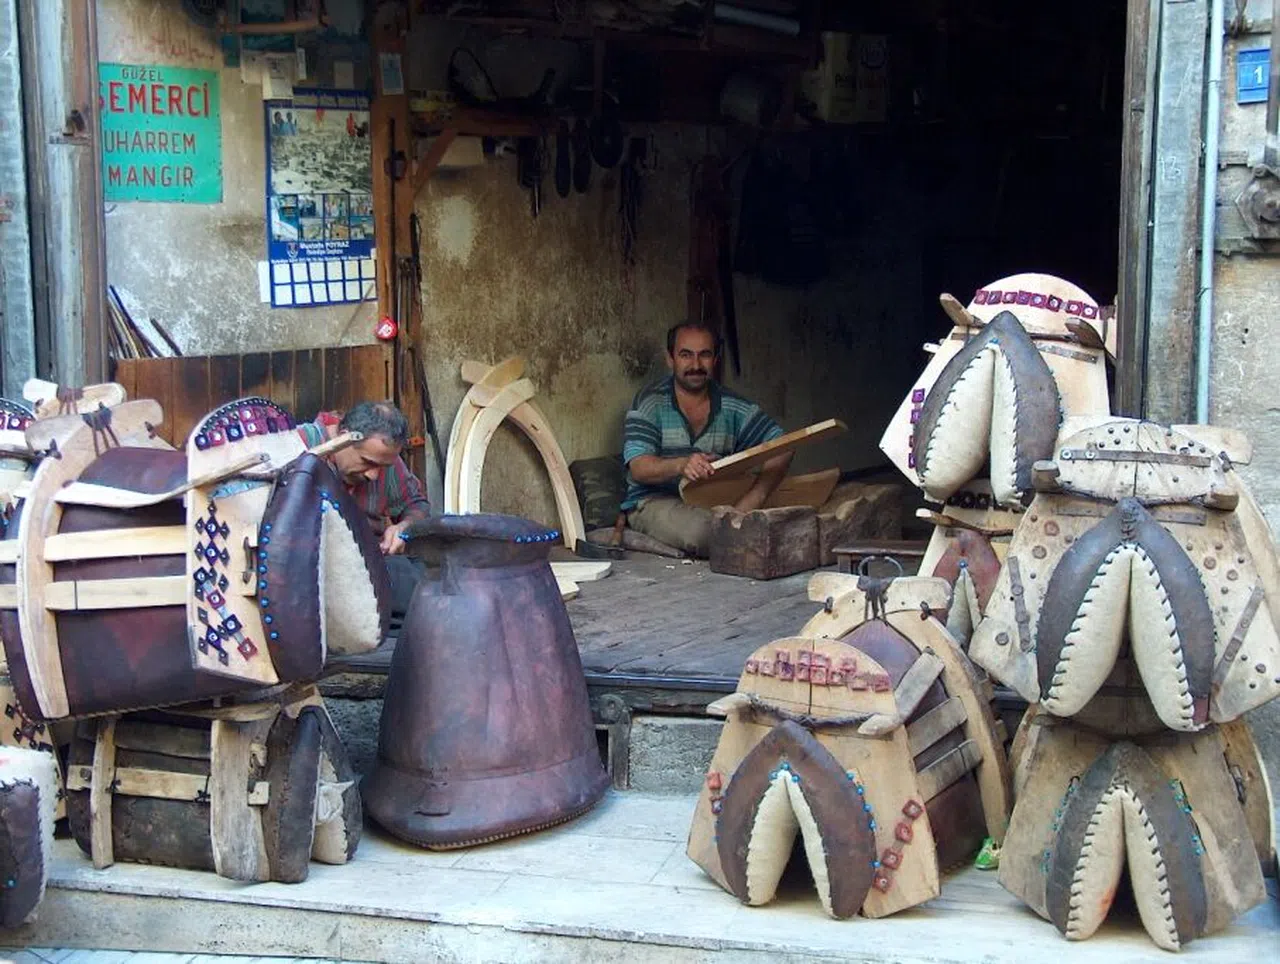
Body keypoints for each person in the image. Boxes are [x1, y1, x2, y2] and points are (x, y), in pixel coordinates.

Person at [621, 321, 793, 557]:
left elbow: (783, 446)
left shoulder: (732, 405)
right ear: (670, 359)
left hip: (713, 502)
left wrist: (753, 498)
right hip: (654, 501)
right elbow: (639, 468)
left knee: (782, 522)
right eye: (685, 355)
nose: (695, 365)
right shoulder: (650, 402)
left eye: (704, 355)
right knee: (708, 533)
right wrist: (681, 465)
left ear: (715, 359)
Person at [297, 401, 429, 608]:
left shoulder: (384, 457)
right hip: (307, 576)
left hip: (368, 571)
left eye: (382, 467)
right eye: (367, 462)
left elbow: (416, 504)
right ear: (343, 437)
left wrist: (403, 527)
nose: (374, 475)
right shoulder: (298, 445)